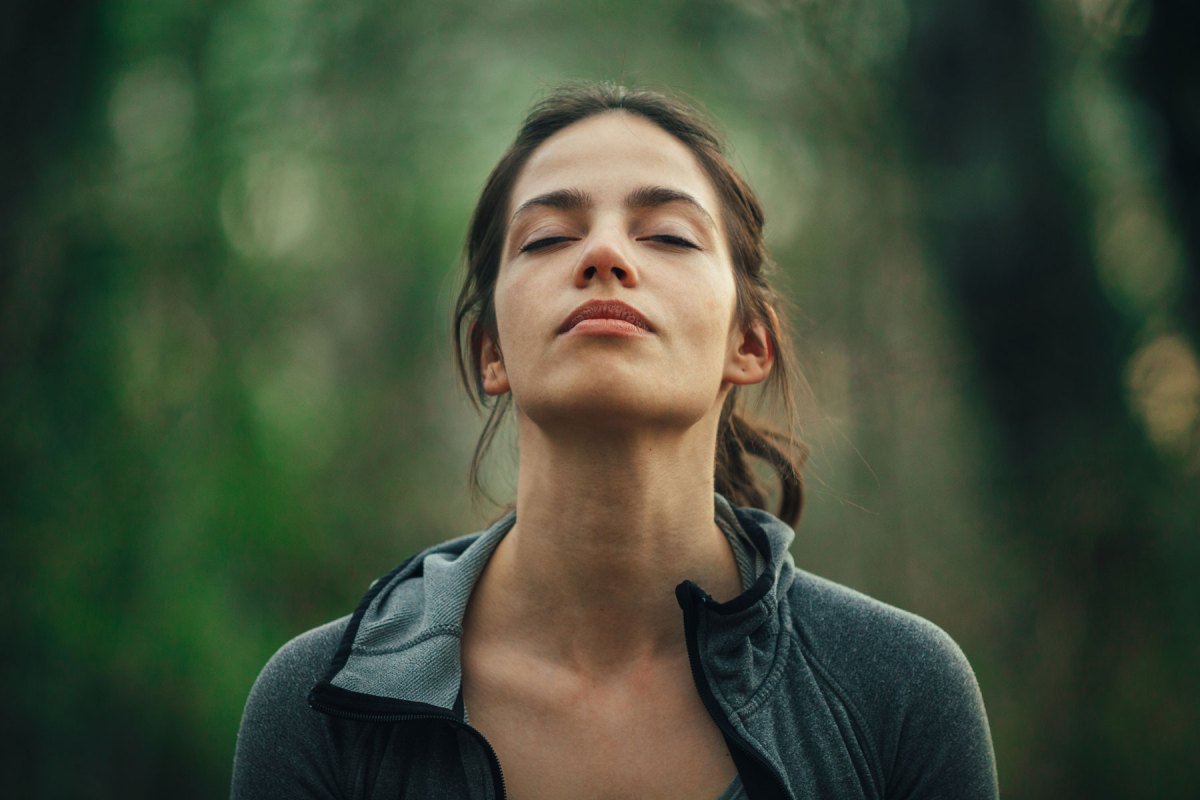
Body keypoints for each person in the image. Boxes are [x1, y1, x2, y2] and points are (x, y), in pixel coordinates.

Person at [231, 83, 999, 800]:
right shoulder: (321, 705)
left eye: (667, 235)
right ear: (489, 353)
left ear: (750, 343)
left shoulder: (900, 691)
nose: (605, 256)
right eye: (547, 238)